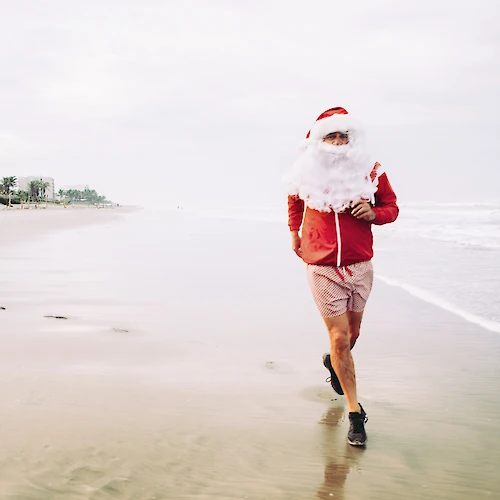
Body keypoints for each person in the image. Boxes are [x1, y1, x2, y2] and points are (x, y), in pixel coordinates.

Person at [285, 107, 399, 445]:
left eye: (342, 135)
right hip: (321, 265)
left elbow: (392, 207)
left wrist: (374, 213)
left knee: (352, 335)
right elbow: (295, 202)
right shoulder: (306, 171)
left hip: (360, 263)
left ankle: (333, 362)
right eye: (330, 136)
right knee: (339, 338)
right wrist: (295, 232)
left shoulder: (370, 172)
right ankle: (354, 413)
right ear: (319, 140)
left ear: (351, 139)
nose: (337, 142)